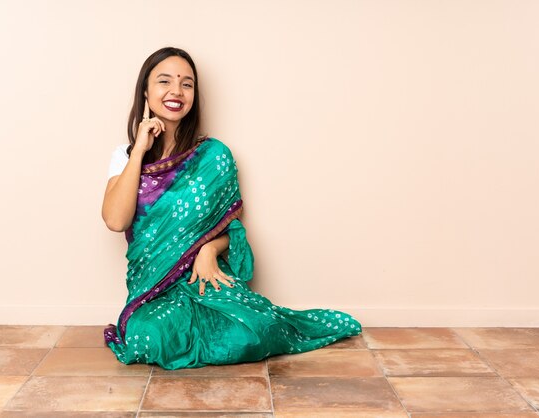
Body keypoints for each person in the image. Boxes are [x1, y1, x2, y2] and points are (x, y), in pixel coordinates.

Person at [101, 46, 362, 369]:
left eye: (187, 83)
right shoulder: (125, 157)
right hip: (153, 291)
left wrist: (209, 249)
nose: (176, 91)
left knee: (254, 331)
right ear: (145, 90)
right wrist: (139, 150)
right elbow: (115, 219)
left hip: (204, 280)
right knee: (148, 338)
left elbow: (232, 228)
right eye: (164, 81)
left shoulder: (214, 156)